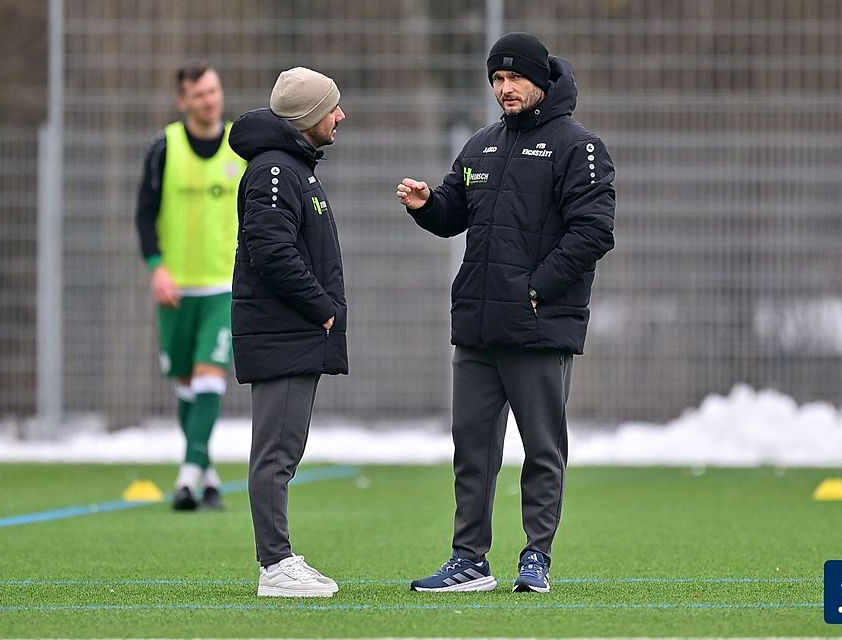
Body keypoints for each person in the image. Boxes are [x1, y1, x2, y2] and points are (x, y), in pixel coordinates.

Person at [396, 32, 615, 593]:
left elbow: (593, 232)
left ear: (541, 80)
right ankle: (469, 559)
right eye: (496, 79)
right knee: (472, 449)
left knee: (542, 449)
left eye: (514, 78)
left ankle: (536, 556)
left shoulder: (578, 146)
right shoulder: (481, 145)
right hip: (477, 326)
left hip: (538, 326)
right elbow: (455, 212)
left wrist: (536, 289)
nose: (505, 88)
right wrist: (428, 206)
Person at [228, 67, 348, 598]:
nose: (340, 116)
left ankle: (279, 559)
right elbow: (271, 250)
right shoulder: (274, 170)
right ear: (308, 118)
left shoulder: (293, 167)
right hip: (283, 332)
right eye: (332, 108)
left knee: (285, 452)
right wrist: (321, 306)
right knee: (275, 454)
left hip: (294, 334)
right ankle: (275, 566)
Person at [135, 61, 246, 511]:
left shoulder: (241, 146)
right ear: (183, 101)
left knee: (208, 376)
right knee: (185, 383)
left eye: (214, 90)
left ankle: (185, 477)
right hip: (176, 288)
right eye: (199, 94)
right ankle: (209, 474)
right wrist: (157, 267)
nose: (210, 100)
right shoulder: (165, 146)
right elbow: (144, 214)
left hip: (224, 285)